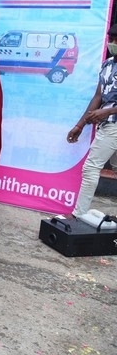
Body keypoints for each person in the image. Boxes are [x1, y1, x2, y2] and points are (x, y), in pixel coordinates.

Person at [66, 24, 117, 218]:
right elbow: (98, 96)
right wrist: (80, 124)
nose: (112, 43)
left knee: (91, 167)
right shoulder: (108, 64)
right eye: (111, 39)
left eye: (116, 40)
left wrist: (107, 111)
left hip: (113, 123)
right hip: (108, 124)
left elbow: (104, 107)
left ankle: (78, 216)